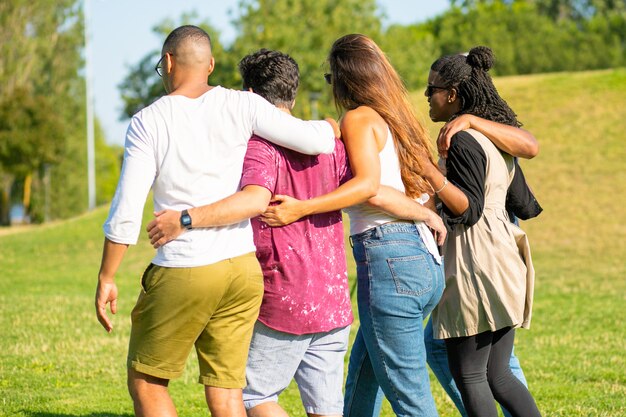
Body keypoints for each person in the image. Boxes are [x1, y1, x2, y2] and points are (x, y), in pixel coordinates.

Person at [94, 25, 339, 417]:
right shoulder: (243, 104)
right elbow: (316, 142)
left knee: (147, 382)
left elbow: (126, 211)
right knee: (227, 392)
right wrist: (329, 126)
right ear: (210, 64)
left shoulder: (147, 121)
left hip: (185, 267)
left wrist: (108, 276)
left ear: (168, 62)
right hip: (241, 270)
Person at [260, 34, 447, 417]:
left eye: (331, 78)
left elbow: (368, 187)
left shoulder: (359, 118)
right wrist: (427, 215)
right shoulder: (394, 119)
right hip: (418, 260)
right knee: (362, 381)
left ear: (346, 78)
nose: (332, 88)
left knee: (411, 402)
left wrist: (302, 208)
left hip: (390, 262)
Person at [422, 46, 542, 417]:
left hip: (475, 260)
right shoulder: (493, 137)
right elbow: (519, 200)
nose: (427, 97)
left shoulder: (461, 138)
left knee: (470, 374)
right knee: (498, 374)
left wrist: (428, 174)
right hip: (504, 256)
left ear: (453, 94)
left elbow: (467, 209)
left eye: (432, 90)